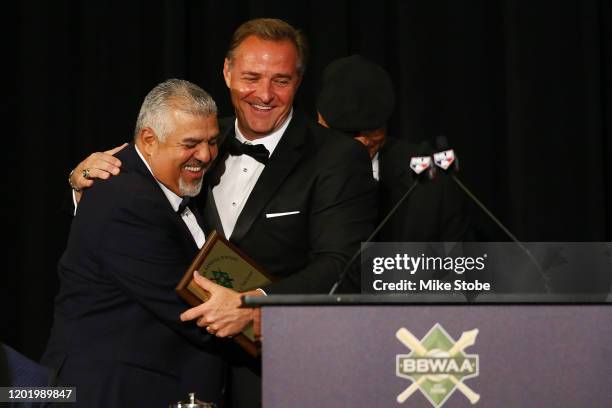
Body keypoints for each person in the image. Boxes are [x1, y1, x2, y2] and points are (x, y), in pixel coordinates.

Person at [66, 19, 376, 408]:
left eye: (280, 80)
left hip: (277, 376)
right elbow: (135, 195)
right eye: (251, 77)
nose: (264, 94)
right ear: (227, 72)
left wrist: (256, 304)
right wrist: (85, 186)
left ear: (299, 81)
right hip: (184, 378)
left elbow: (345, 266)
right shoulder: (198, 138)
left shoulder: (336, 157)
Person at [41, 79, 228, 407]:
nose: (206, 154)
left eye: (212, 141)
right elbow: (189, 310)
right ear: (148, 140)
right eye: (191, 144)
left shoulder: (160, 185)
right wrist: (261, 317)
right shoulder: (127, 201)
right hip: (107, 392)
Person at [316, 54, 469, 242]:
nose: (363, 141)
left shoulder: (432, 182)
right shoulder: (296, 175)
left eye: (373, 128)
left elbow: (461, 265)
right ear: (321, 120)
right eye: (350, 132)